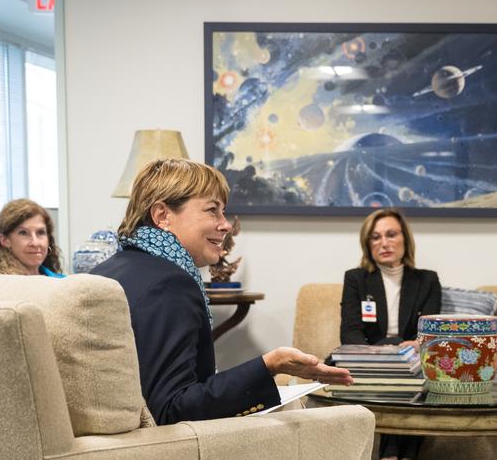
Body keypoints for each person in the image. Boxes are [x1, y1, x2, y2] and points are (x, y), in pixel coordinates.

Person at [93, 158, 350, 426]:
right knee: (299, 416)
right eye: (212, 210)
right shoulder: (170, 284)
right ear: (162, 216)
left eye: (223, 211)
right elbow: (170, 410)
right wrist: (270, 365)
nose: (226, 224)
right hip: (161, 451)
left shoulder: (106, 270)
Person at [341, 208, 442, 460]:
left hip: (413, 360)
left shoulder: (427, 280)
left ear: (404, 240)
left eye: (391, 234)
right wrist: (388, 349)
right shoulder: (356, 279)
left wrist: (413, 344)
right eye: (375, 237)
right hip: (370, 359)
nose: (383, 242)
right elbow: (349, 332)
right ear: (367, 244)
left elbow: (430, 332)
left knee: (424, 368)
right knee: (397, 364)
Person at [0, 199, 66, 277]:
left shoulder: (63, 283)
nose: (35, 243)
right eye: (23, 233)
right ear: (4, 240)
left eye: (40, 232)